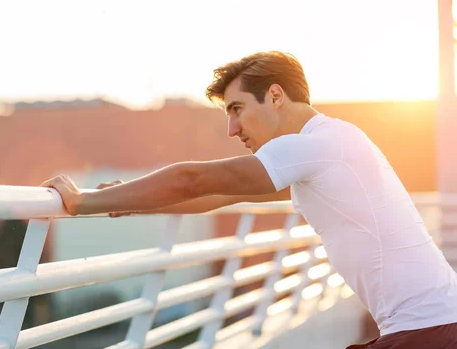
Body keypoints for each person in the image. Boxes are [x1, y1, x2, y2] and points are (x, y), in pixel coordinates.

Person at [41, 51, 457, 348]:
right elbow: (212, 196)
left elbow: (193, 179)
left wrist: (79, 203)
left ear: (276, 96)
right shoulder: (327, 146)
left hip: (428, 330)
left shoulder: (316, 145)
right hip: (430, 325)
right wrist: (128, 198)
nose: (232, 128)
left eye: (237, 109)